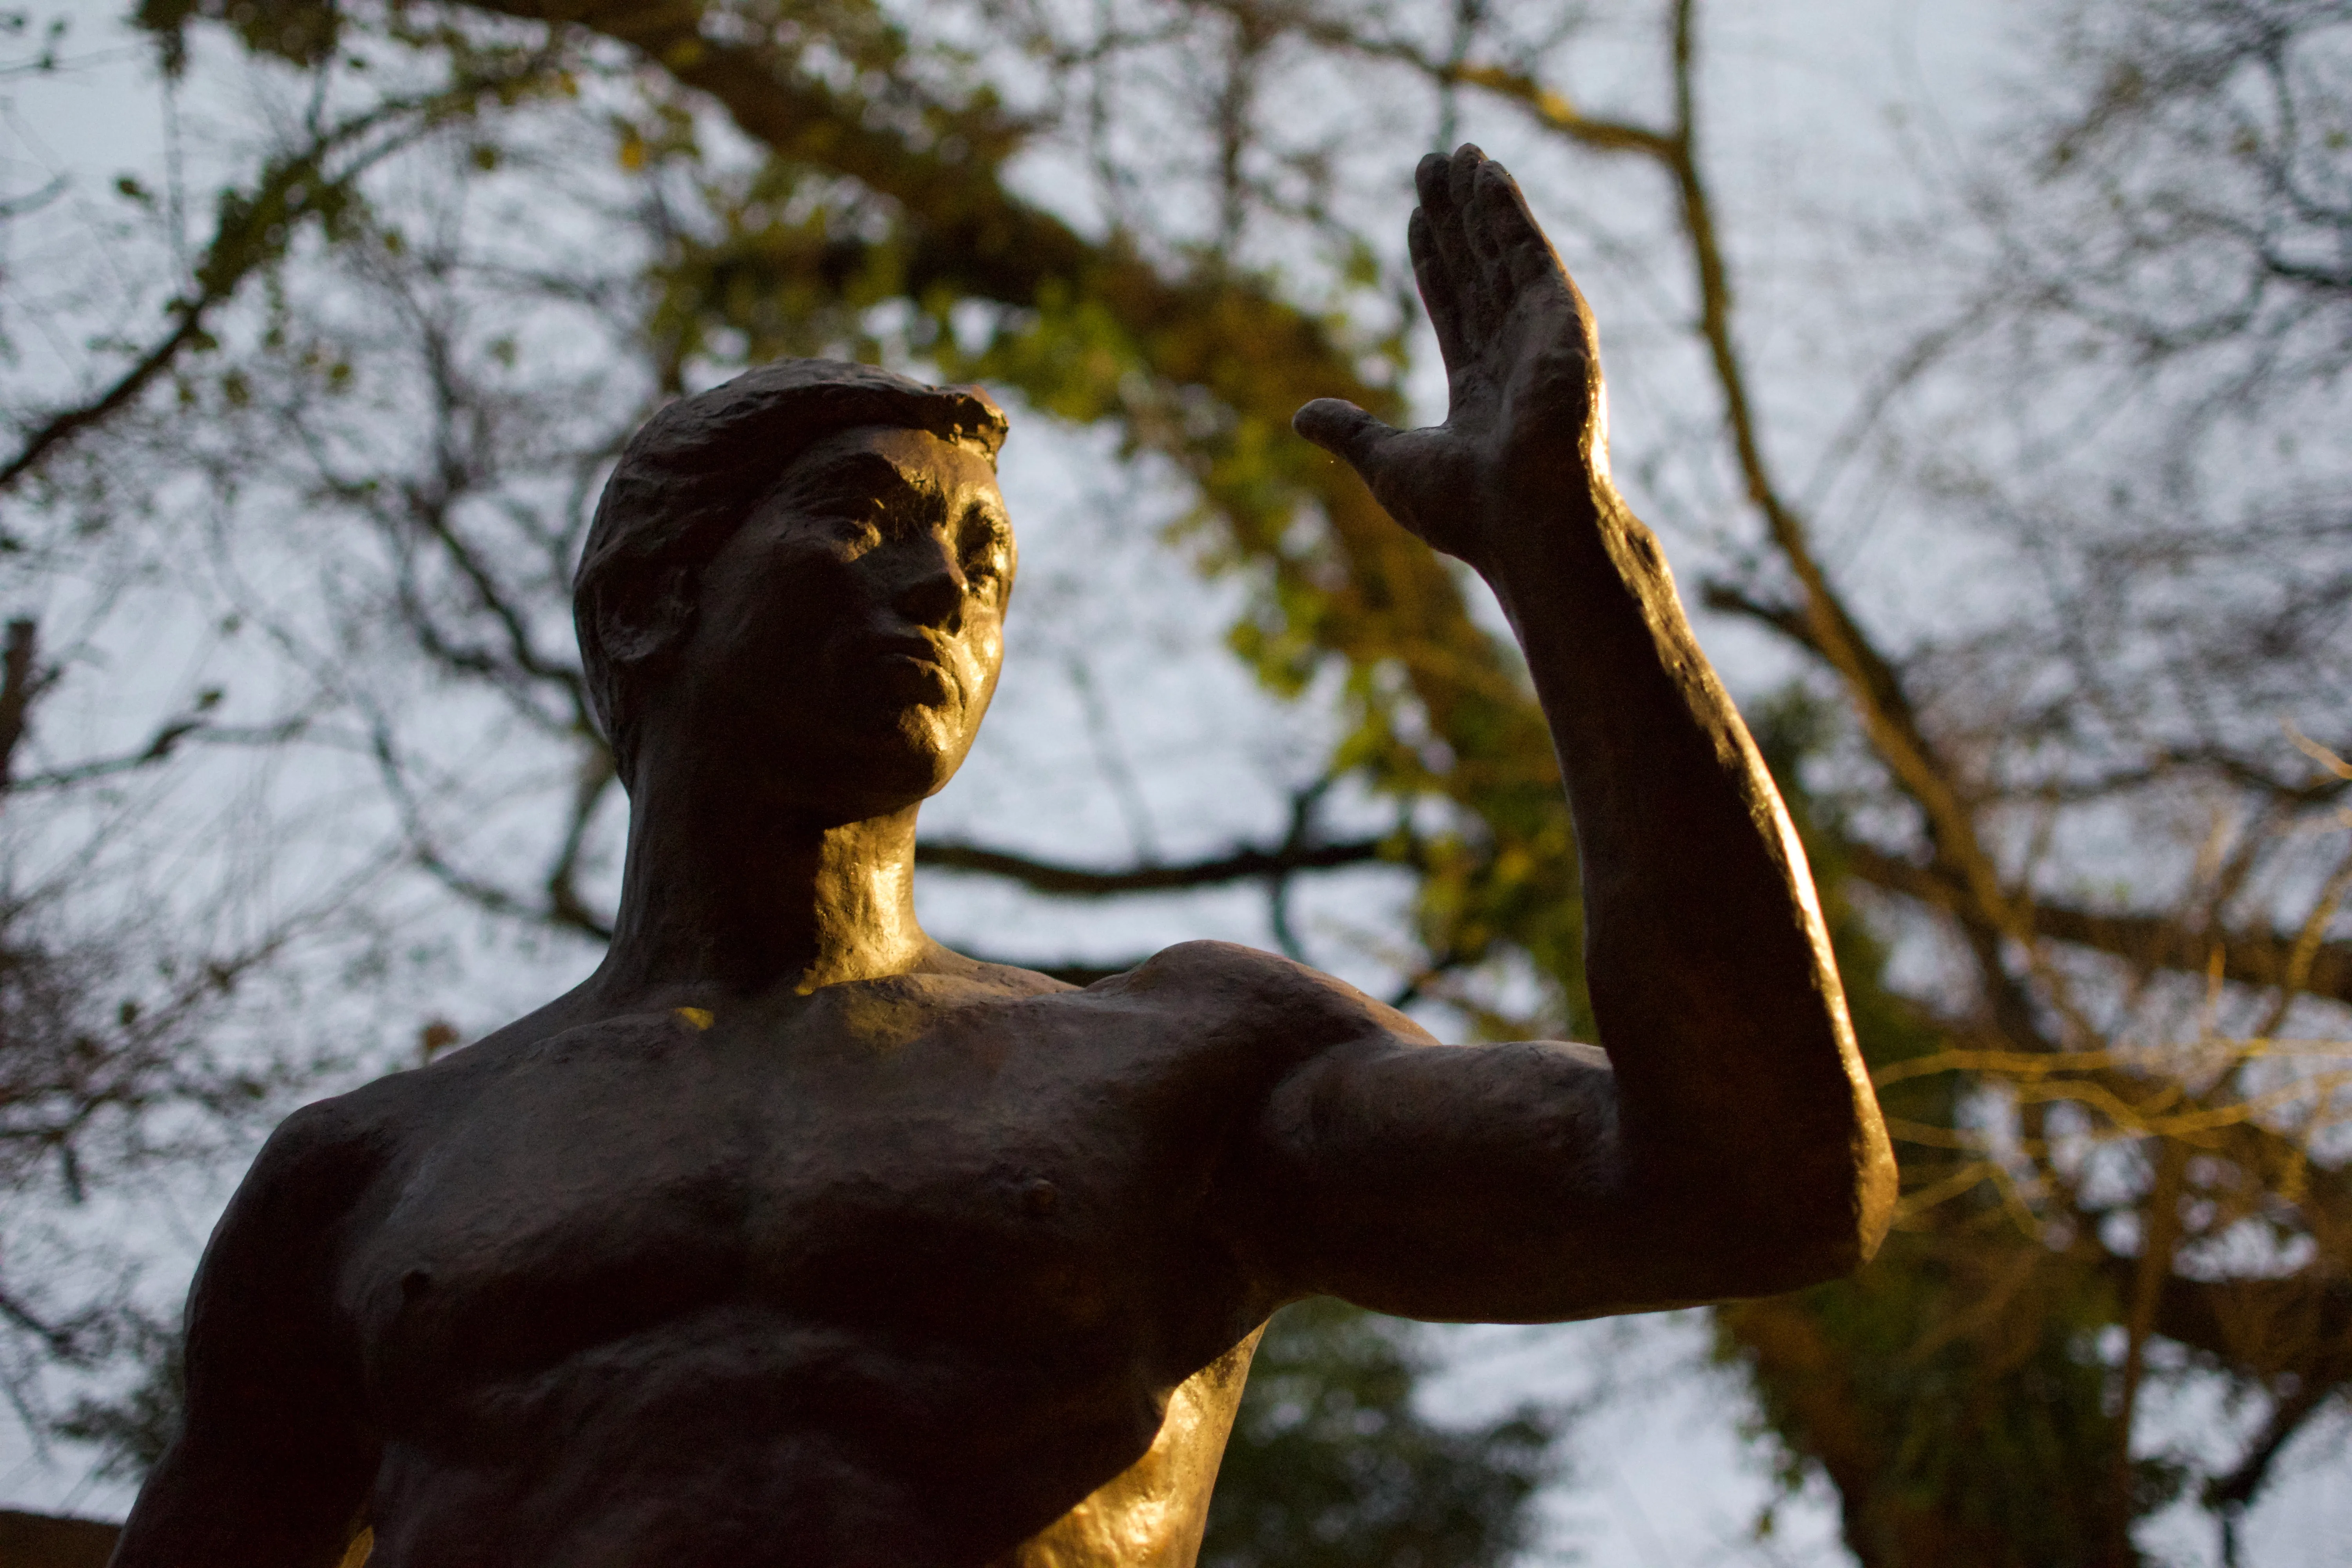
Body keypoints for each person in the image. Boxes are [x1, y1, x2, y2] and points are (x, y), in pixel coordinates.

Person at [110, 147, 1894, 1568]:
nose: (948, 582)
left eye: (984, 556)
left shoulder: (1176, 1066)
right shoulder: (366, 1177)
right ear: (654, 597)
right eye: (868, 520)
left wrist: (1572, 563)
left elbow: (1766, 1182)